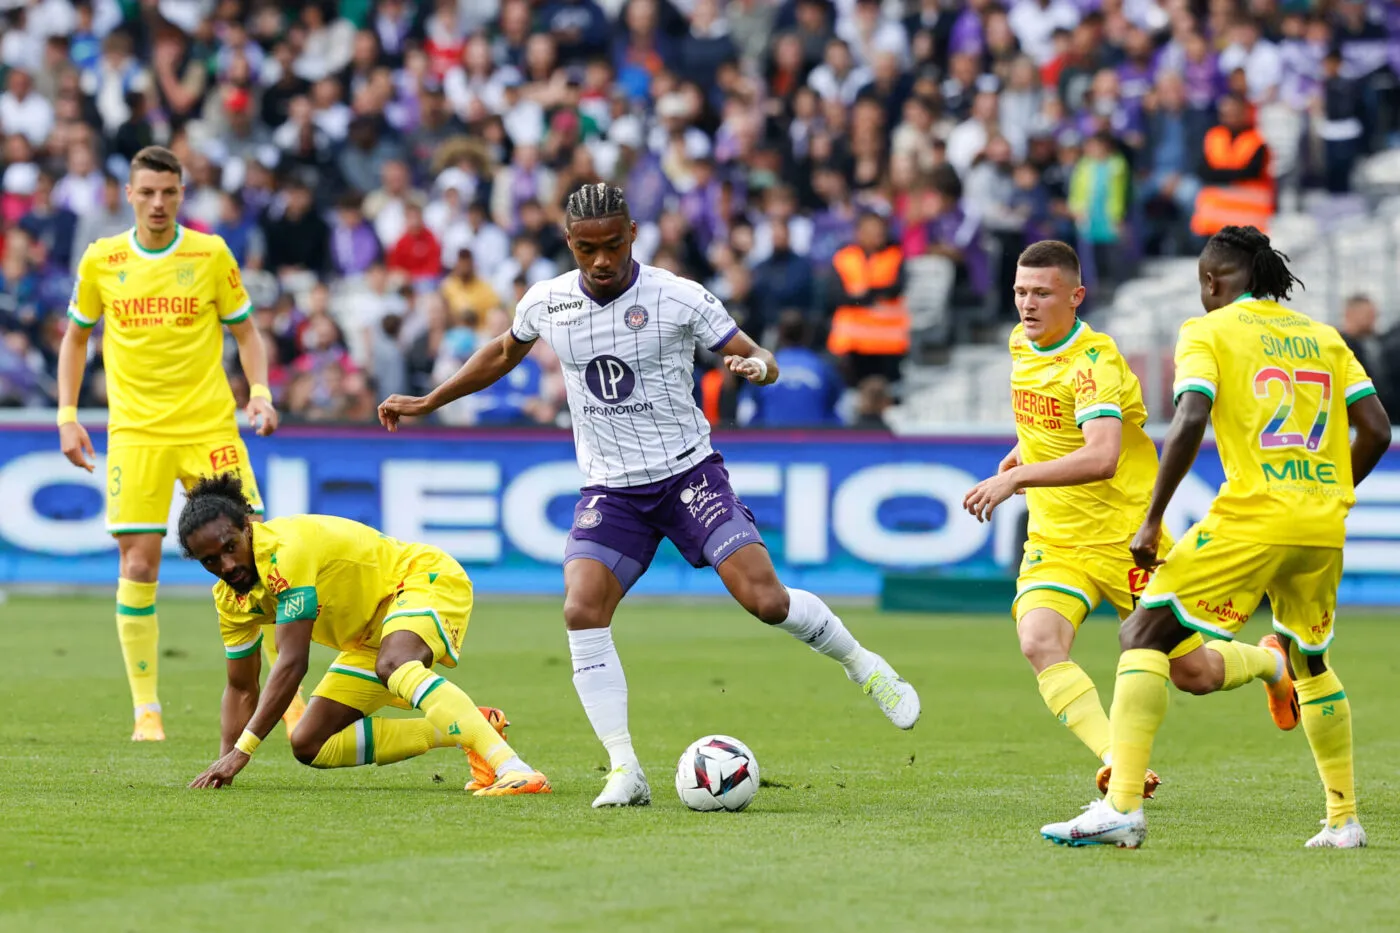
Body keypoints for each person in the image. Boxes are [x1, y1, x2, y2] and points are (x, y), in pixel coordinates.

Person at [379, 183, 920, 809]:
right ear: (569, 243)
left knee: (766, 601)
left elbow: (759, 356)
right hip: (612, 489)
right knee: (581, 609)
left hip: (689, 477)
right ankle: (625, 769)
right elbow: (504, 351)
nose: (601, 260)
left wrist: (756, 368)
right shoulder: (548, 302)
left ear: (633, 233)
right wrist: (429, 401)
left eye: (612, 245)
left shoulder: (678, 297)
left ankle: (865, 667)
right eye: (587, 249)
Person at [1041, 226, 1392, 849]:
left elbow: (1192, 415)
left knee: (1143, 633)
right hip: (1321, 523)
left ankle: (1121, 806)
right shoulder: (1323, 335)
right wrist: (1329, 491)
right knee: (1311, 661)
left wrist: (1152, 518)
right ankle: (1344, 820)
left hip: (1253, 517)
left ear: (1211, 281)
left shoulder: (1208, 330)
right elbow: (1377, 428)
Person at [57, 145, 302, 743]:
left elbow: (246, 332)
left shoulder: (210, 252)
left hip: (209, 428)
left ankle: (288, 702)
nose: (158, 203)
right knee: (138, 562)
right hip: (137, 432)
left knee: (256, 558)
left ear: (181, 194)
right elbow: (74, 339)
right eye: (147, 193)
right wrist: (67, 415)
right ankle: (147, 709)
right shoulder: (102, 260)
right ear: (129, 195)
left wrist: (262, 392)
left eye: (168, 192)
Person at [962, 240, 1204, 800]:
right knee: (1039, 639)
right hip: (1058, 540)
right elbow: (1052, 421)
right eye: (1021, 291)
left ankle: (1266, 664)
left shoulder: (1095, 364)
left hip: (1127, 539)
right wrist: (1025, 450)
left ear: (1076, 297)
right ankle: (1119, 760)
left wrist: (1015, 479)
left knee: (1198, 674)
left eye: (1042, 293)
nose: (1027, 304)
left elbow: (1102, 456)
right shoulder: (1021, 342)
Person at [179, 474, 548, 796]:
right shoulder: (231, 601)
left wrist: (244, 750)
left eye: (230, 547)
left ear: (247, 526)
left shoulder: (284, 552)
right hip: (368, 635)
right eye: (211, 560)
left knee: (395, 663)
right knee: (310, 743)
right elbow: (242, 687)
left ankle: (513, 768)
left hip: (418, 580)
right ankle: (473, 727)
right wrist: (225, 758)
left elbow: (292, 664)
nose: (227, 565)